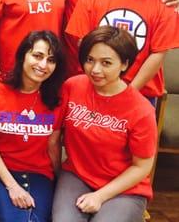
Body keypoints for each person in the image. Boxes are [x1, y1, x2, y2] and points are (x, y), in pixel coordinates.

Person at [52, 26, 157, 221]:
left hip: (125, 188)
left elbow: (142, 167)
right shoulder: (72, 86)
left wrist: (100, 196)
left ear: (124, 64)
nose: (95, 70)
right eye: (90, 60)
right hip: (77, 176)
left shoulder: (141, 110)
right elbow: (54, 135)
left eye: (106, 63)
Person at [0, 30, 66, 222]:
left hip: (39, 174)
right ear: (23, 55)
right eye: (37, 56)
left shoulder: (57, 97)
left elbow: (53, 145)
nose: (43, 65)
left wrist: (60, 184)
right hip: (0, 171)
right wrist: (12, 186)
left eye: (50, 60)